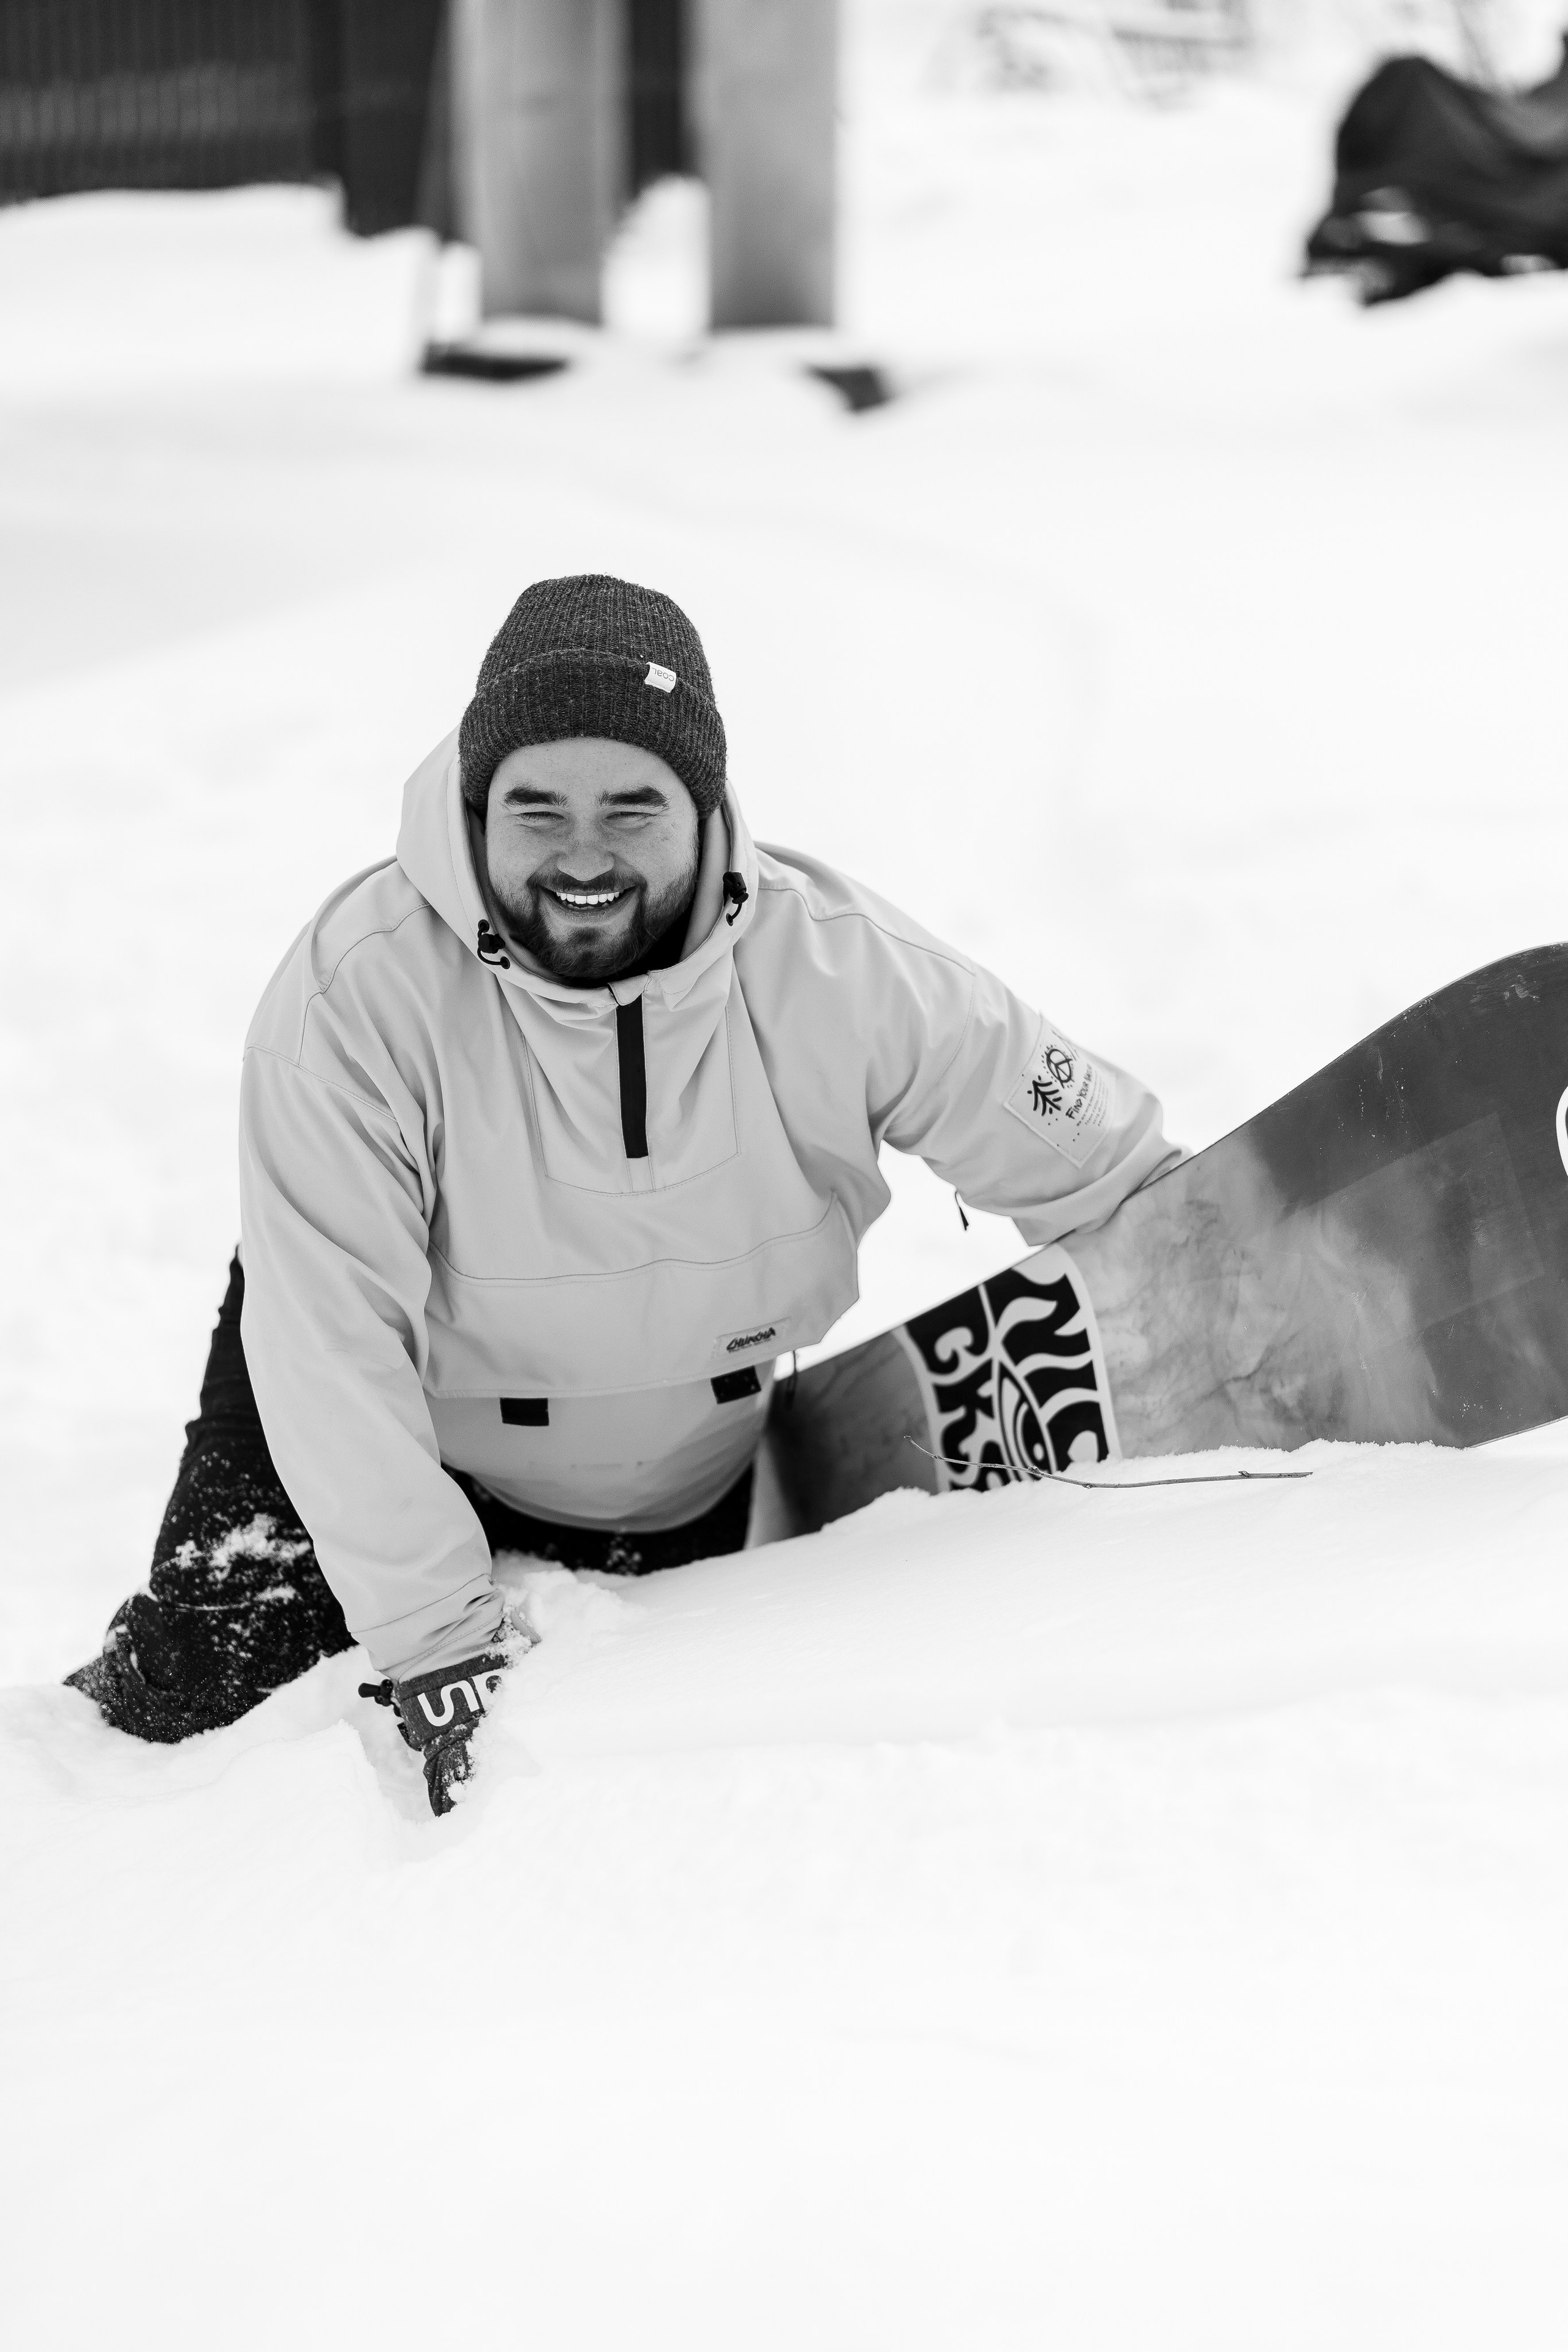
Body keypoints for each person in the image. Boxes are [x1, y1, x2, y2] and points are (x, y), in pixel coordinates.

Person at [68, 575, 1174, 1811]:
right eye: (536, 808)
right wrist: (436, 1636)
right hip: (386, 1391)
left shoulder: (838, 970)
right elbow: (327, 1351)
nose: (580, 855)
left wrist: (1184, 1243)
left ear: (706, 817)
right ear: (476, 811)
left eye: (631, 808)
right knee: (204, 1697)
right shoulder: (355, 997)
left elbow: (1091, 1155)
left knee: (637, 1728)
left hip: (665, 1463)